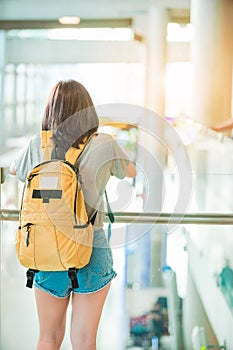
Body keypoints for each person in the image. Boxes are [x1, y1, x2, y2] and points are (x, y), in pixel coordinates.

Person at [10, 79, 136, 350]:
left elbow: (16, 171)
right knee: (84, 341)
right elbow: (131, 171)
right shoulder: (104, 143)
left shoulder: (38, 144)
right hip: (91, 247)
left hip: (46, 249)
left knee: (48, 338)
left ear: (50, 111)